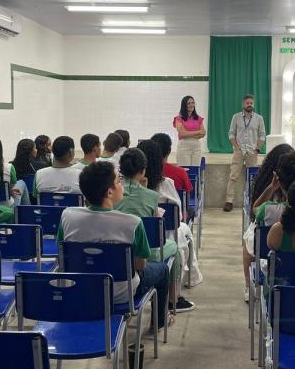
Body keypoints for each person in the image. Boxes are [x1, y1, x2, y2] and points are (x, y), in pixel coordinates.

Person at [57, 161, 171, 330]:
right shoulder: (132, 223)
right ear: (109, 192)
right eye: (119, 180)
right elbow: (140, 265)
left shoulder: (67, 215)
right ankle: (160, 321)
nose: (122, 184)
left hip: (80, 287)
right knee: (162, 270)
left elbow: (62, 255)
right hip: (120, 293)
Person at [115, 148, 194, 312]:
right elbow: (151, 224)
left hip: (116, 253)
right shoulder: (151, 196)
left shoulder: (112, 194)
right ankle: (171, 302)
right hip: (144, 255)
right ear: (143, 170)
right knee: (174, 248)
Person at [138, 139, 203, 290]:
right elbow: (177, 215)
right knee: (184, 232)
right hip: (163, 239)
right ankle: (186, 284)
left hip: (135, 246)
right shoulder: (166, 183)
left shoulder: (123, 192)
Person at [242, 150, 295, 302]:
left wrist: (271, 187)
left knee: (249, 238)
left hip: (278, 275)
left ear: (278, 179)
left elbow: (255, 208)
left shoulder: (269, 210)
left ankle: (248, 287)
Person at [223, 94, 266, 212]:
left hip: (252, 151)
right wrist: (236, 147)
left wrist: (257, 149)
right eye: (247, 103)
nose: (249, 105)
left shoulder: (259, 118)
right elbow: (231, 133)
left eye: (251, 103)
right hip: (239, 151)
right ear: (243, 104)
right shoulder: (236, 117)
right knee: (233, 176)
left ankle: (253, 201)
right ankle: (229, 201)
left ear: (253, 105)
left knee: (252, 178)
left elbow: (262, 134)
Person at [173, 95, 206, 166]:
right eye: (189, 103)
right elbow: (182, 134)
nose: (191, 105)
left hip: (196, 146)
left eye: (192, 103)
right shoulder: (179, 118)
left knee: (195, 171)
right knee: (185, 171)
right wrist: (198, 132)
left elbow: (203, 133)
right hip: (184, 146)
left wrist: (188, 133)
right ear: (184, 105)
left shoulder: (198, 118)